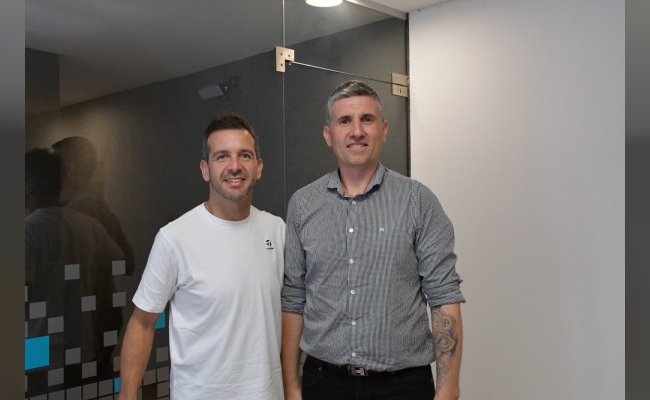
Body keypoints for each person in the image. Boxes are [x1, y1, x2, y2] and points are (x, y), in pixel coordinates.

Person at [281, 80, 465, 400]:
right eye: (345, 121)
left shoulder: (418, 202)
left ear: (383, 130)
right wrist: (291, 387)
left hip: (402, 387)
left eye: (367, 120)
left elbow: (444, 296)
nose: (357, 131)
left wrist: (448, 389)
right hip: (323, 384)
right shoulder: (302, 205)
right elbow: (294, 299)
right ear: (328, 135)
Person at [118, 112, 286, 400]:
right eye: (222, 156)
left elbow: (292, 312)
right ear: (205, 169)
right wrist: (127, 395)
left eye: (244, 155)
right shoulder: (175, 238)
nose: (235, 166)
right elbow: (142, 323)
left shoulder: (277, 230)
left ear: (258, 167)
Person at [25, 148, 124, 394]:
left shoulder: (27, 231)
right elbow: (118, 264)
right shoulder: (89, 226)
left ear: (29, 185)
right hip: (82, 344)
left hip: (39, 349)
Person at [52, 136, 135, 275]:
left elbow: (127, 266)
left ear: (69, 168)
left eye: (53, 164)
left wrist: (57, 275)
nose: (48, 170)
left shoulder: (87, 207)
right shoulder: (77, 205)